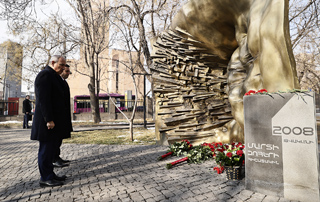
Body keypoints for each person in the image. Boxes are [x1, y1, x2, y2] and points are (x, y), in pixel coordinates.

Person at [31, 55, 72, 187]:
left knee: (50, 151)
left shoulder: (53, 75)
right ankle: (45, 178)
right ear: (53, 62)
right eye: (61, 65)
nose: (62, 68)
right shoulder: (45, 75)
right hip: (47, 122)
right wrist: (49, 119)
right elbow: (44, 100)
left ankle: (50, 174)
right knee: (45, 150)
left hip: (54, 122)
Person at [52, 64, 73, 167]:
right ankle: (54, 158)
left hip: (63, 115)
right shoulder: (57, 82)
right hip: (58, 116)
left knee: (59, 139)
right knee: (55, 140)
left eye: (69, 72)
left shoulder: (63, 82)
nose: (68, 74)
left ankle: (57, 156)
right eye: (67, 71)